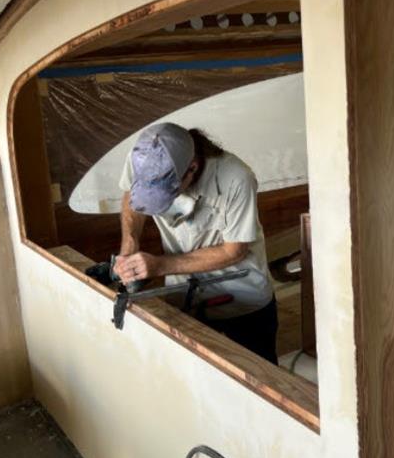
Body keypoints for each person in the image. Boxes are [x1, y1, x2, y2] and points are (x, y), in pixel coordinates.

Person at [113, 122, 278, 364]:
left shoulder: (236, 178)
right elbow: (131, 195)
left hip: (242, 298)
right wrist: (129, 243)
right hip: (183, 297)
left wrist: (159, 266)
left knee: (259, 379)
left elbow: (234, 250)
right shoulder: (142, 158)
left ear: (192, 168)